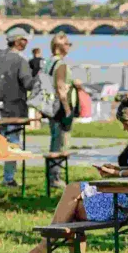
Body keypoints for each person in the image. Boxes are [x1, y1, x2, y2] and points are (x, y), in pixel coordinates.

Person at [18, 96, 128, 253]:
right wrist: (119, 169)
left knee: (72, 198)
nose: (125, 128)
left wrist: (118, 173)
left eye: (127, 123)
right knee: (72, 201)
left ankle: (47, 252)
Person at [0, 27, 33, 187]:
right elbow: (28, 84)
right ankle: (8, 178)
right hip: (15, 109)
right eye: (25, 39)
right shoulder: (21, 61)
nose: (27, 42)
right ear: (18, 41)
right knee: (13, 143)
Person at [45, 33, 78, 187]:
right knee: (61, 142)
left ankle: (53, 175)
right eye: (67, 44)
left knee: (55, 139)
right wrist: (67, 109)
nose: (69, 46)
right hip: (60, 107)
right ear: (59, 46)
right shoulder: (61, 64)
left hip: (51, 106)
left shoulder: (49, 62)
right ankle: (55, 177)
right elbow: (60, 87)